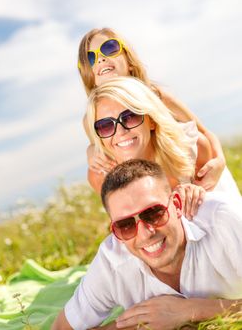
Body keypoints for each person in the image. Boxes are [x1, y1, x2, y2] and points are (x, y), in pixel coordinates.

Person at [52, 159, 242, 330]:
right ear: (115, 232)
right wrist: (135, 325)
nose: (145, 233)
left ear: (176, 205)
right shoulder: (111, 264)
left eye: (153, 213)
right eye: (125, 225)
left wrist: (192, 310)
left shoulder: (226, 221)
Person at [78, 27, 226, 191]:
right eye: (90, 58)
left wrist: (219, 160)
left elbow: (203, 132)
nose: (100, 59)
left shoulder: (158, 96)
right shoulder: (93, 118)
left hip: (185, 170)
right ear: (90, 77)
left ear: (129, 62)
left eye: (109, 48)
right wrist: (91, 151)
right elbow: (103, 144)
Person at [86, 76, 241, 213]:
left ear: (151, 120)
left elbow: (217, 215)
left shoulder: (193, 148)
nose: (120, 131)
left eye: (130, 116)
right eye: (105, 125)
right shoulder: (101, 175)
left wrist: (197, 196)